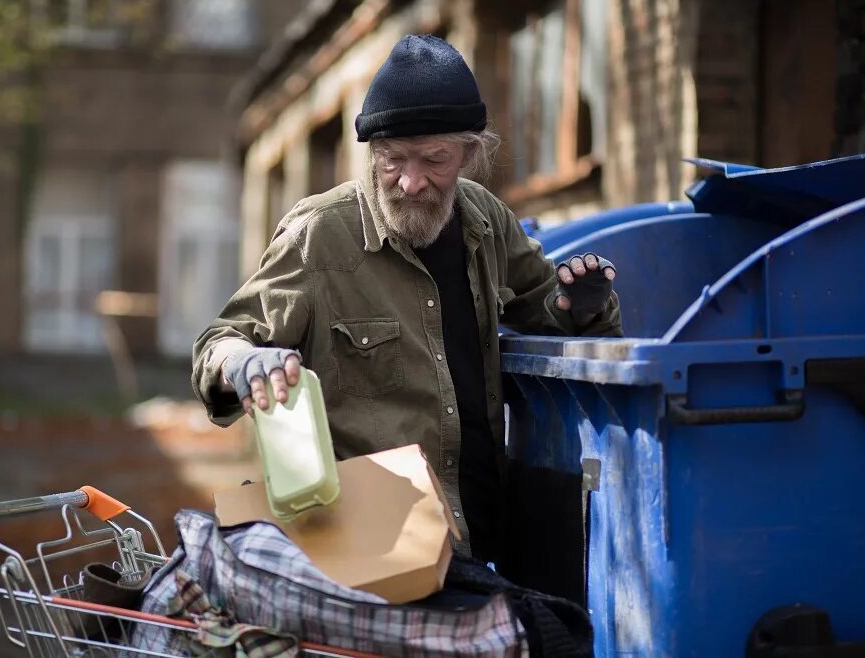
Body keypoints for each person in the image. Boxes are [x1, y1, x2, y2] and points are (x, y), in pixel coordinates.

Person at [193, 35, 622, 563]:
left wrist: (581, 305)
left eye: (434, 159)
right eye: (392, 160)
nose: (411, 181)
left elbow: (544, 308)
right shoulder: (320, 235)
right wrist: (244, 361)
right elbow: (220, 341)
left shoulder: (487, 221)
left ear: (470, 152)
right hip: (373, 543)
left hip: (481, 535)